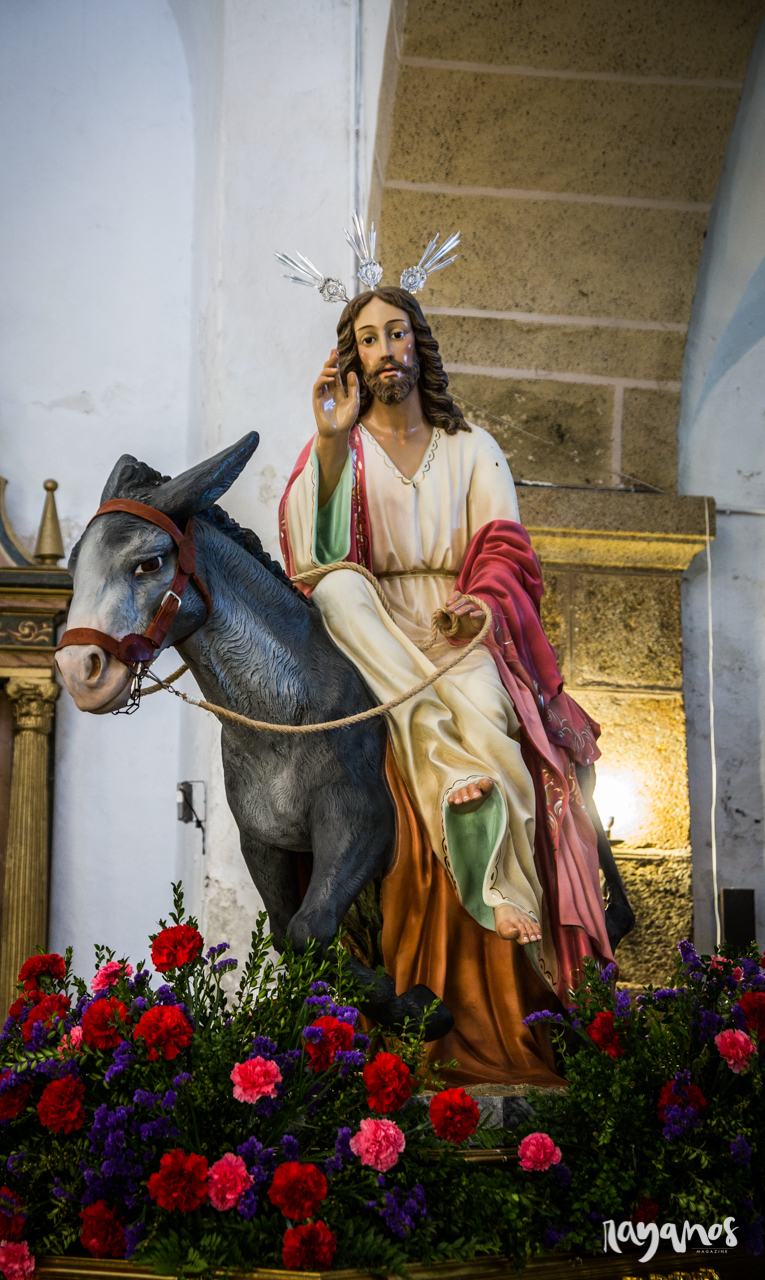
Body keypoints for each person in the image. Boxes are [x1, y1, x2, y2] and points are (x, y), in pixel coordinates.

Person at [279, 286, 613, 1083]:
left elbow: (505, 546)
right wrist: (328, 444)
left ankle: (494, 867)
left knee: (497, 730)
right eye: (367, 338)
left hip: (455, 625)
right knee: (337, 590)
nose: (384, 349)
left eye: (396, 333)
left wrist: (479, 599)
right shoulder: (340, 447)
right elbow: (309, 557)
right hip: (371, 635)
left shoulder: (471, 446)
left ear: (418, 345)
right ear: (349, 357)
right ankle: (440, 764)